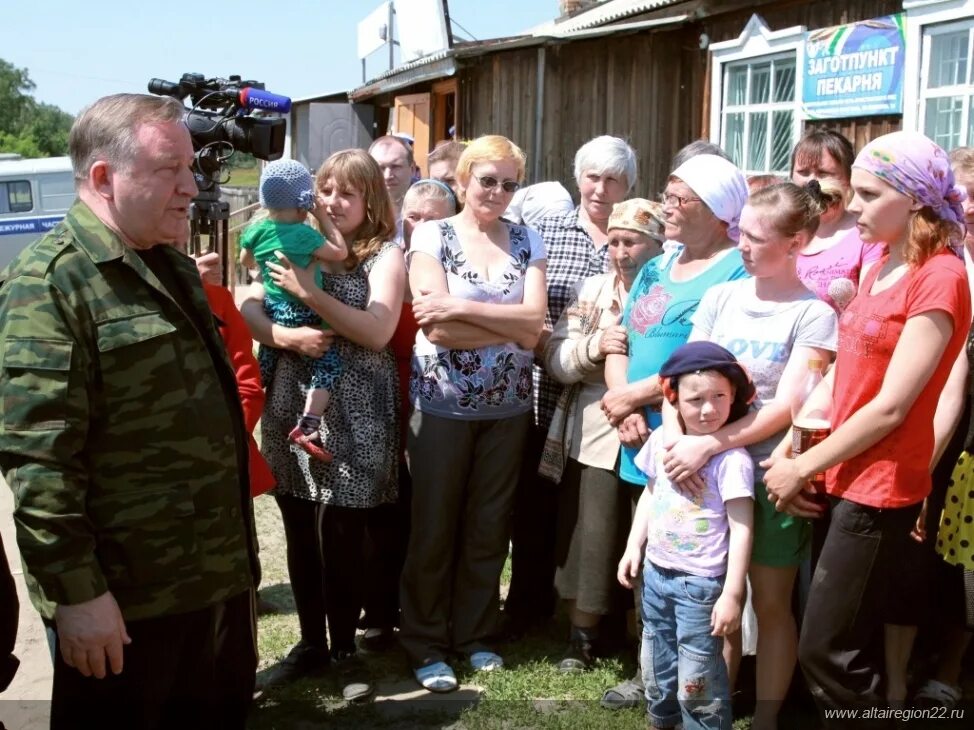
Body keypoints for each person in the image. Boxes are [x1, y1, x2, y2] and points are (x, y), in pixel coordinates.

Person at [0, 93, 259, 728]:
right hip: (127, 607)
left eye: (192, 168)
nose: (191, 187)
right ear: (102, 178)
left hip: (212, 584)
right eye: (170, 169)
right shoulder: (49, 283)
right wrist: (79, 595)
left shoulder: (168, 264)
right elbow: (40, 463)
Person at [763, 131, 971, 726]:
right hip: (839, 472)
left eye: (869, 194)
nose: (853, 206)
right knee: (835, 644)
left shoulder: (941, 276)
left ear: (914, 199)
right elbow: (841, 374)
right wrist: (794, 445)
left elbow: (891, 407)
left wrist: (801, 465)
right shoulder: (880, 260)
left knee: (828, 653)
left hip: (879, 489)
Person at [660, 182, 839, 730]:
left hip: (769, 473)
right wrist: (674, 441)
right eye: (741, 233)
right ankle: (714, 705)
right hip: (699, 472)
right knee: (716, 597)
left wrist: (706, 444)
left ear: (797, 243)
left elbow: (789, 405)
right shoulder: (722, 297)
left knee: (769, 599)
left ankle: (765, 717)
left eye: (758, 239)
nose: (743, 246)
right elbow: (680, 375)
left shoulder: (814, 314)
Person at [241, 148, 404, 702]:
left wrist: (309, 293)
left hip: (356, 406)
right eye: (325, 189)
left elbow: (378, 331)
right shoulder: (291, 238)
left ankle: (344, 650)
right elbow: (248, 303)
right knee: (298, 523)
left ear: (370, 200)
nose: (332, 201)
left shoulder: (383, 256)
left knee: (343, 533)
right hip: (294, 399)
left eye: (346, 193)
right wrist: (285, 337)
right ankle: (311, 643)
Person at [599, 152, 750, 710]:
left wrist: (638, 397)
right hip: (640, 431)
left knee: (699, 562)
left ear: (716, 211)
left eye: (678, 198)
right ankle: (657, 674)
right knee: (654, 549)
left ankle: (710, 690)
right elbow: (621, 339)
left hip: (695, 437)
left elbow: (719, 358)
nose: (667, 207)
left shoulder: (734, 269)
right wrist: (622, 404)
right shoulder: (660, 265)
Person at [400, 135, 546, 693]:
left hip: (509, 407)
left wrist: (462, 306)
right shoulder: (431, 234)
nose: (499, 193)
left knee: (489, 526)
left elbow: (534, 325)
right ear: (462, 180)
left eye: (510, 183)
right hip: (441, 406)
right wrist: (507, 325)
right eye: (488, 180)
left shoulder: (527, 238)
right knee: (434, 525)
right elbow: (435, 330)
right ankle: (425, 641)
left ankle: (476, 634)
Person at [505, 135, 638, 639]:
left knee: (587, 513)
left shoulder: (637, 235)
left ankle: (590, 614)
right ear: (577, 177)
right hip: (543, 391)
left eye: (613, 180)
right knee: (534, 512)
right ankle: (526, 607)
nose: (601, 189)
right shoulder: (543, 231)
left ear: (629, 185)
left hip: (601, 402)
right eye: (592, 177)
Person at [542, 199, 664, 671]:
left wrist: (636, 401)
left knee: (649, 532)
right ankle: (583, 636)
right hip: (595, 428)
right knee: (592, 534)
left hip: (656, 423)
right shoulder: (591, 290)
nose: (620, 252)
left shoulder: (670, 290)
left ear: (658, 246)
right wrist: (594, 345)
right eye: (613, 241)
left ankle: (643, 640)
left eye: (631, 242)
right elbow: (555, 358)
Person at [618, 341, 755, 730]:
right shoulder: (662, 442)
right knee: (657, 666)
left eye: (719, 397)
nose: (708, 409)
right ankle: (662, 722)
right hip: (657, 576)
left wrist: (733, 593)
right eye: (696, 399)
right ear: (674, 400)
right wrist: (633, 546)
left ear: (734, 399)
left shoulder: (731, 460)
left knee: (697, 681)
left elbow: (742, 527)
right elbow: (650, 493)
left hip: (701, 586)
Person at [359, 179, 458, 652]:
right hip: (384, 398)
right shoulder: (383, 261)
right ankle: (377, 611)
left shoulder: (456, 267)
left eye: (434, 218)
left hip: (438, 401)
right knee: (385, 509)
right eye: (414, 216)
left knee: (429, 511)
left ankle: (429, 607)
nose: (422, 225)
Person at [240, 159, 348, 461]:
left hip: (272, 310)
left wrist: (262, 266)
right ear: (305, 205)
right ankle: (308, 425)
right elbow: (339, 252)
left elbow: (246, 262)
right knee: (327, 367)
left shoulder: (257, 229)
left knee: (263, 370)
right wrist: (324, 219)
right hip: (301, 313)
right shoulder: (305, 235)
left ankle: (239, 421)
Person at [790, 130, 884, 313]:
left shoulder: (866, 236)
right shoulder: (783, 231)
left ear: (849, 178)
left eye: (823, 173)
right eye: (803, 172)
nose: (812, 181)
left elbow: (869, 305)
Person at [370, 135, 414, 222]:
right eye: (380, 168)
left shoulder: (428, 215)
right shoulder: (357, 215)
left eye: (395, 166)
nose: (387, 176)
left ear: (412, 169)